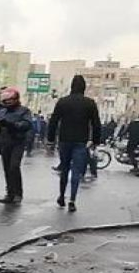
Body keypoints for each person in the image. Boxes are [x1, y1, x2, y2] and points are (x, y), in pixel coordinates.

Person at [47, 75, 102, 212]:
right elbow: (96, 124)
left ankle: (61, 196)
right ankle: (72, 200)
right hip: (80, 141)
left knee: (64, 168)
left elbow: (53, 121)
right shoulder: (90, 103)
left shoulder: (63, 102)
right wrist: (95, 141)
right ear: (84, 87)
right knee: (76, 171)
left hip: (64, 140)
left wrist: (51, 139)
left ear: (72, 86)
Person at [0, 87, 33, 204]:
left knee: (14, 166)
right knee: (7, 168)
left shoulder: (24, 111)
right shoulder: (2, 112)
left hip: (18, 142)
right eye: (5, 101)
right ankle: (10, 193)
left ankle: (18, 193)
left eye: (10, 100)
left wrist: (11, 125)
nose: (8, 103)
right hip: (5, 142)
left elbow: (26, 125)